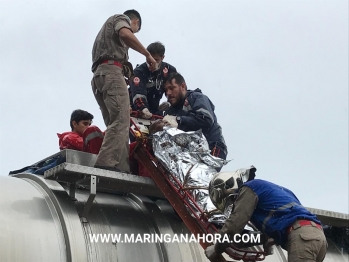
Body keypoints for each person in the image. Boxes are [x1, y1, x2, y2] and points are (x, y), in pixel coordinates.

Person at [205, 169, 327, 262]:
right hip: (317, 237)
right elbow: (285, 220)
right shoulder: (278, 192)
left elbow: (234, 225)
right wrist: (267, 239)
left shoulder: (249, 188)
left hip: (302, 237)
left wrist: (216, 249)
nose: (233, 203)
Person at [91, 9, 157, 173]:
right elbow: (126, 35)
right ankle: (106, 164)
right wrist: (147, 55)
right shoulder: (120, 19)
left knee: (116, 124)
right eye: (137, 29)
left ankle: (120, 167)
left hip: (100, 76)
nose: (135, 31)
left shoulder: (105, 35)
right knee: (121, 122)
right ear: (136, 22)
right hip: (111, 73)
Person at [162, 73, 228, 162]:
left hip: (212, 146)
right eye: (166, 90)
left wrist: (178, 120)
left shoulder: (197, 97)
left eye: (172, 88)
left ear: (183, 86)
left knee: (203, 173)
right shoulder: (171, 110)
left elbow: (206, 119)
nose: (168, 93)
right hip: (192, 151)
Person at [129, 41, 177, 118]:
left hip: (155, 111)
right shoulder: (139, 72)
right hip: (134, 111)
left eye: (156, 60)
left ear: (162, 58)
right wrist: (143, 108)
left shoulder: (169, 71)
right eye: (149, 59)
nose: (152, 63)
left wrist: (170, 103)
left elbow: (176, 91)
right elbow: (138, 92)